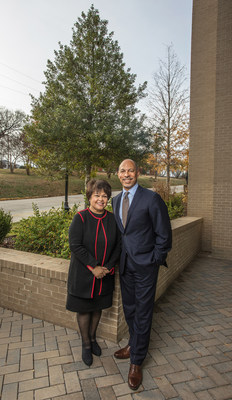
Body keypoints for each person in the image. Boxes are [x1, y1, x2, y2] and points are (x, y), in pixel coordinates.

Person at [112, 159, 172, 390]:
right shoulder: (116, 200)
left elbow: (164, 235)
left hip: (146, 266)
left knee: (144, 311)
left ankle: (137, 361)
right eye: (122, 171)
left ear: (137, 172)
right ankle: (133, 344)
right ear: (118, 174)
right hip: (125, 265)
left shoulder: (151, 199)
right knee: (130, 308)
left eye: (130, 170)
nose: (127, 174)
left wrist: (154, 261)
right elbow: (122, 234)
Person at [66, 179, 120, 367]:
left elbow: (118, 246)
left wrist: (107, 268)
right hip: (83, 275)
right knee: (84, 310)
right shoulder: (80, 218)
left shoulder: (113, 219)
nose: (101, 199)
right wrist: (93, 267)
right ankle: (86, 345)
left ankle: (94, 338)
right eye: (97, 195)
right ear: (89, 196)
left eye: (104, 196)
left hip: (105, 274)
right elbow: (75, 245)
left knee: (97, 308)